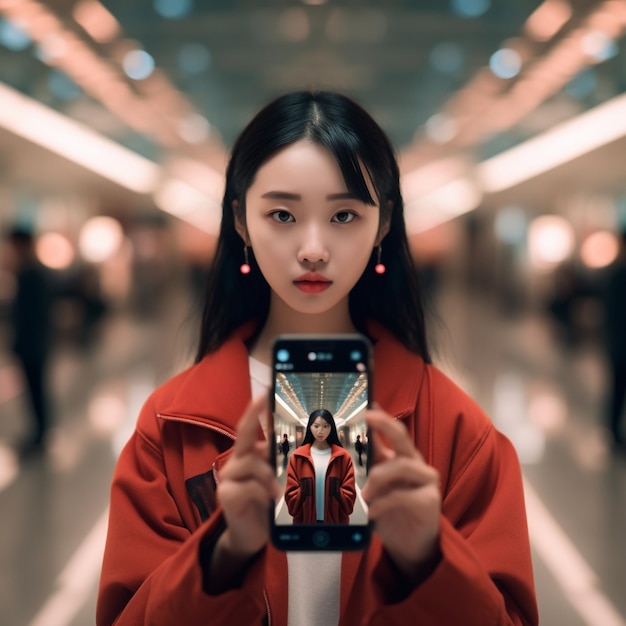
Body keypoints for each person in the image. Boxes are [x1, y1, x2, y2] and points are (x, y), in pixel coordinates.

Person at [97, 91, 538, 625]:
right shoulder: (169, 429)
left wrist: (429, 560)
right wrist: (221, 556)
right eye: (282, 214)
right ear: (240, 221)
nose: (313, 248)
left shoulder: (458, 432)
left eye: (344, 215)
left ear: (383, 225)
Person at [3, 227, 53, 456]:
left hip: (33, 346)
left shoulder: (31, 275)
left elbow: (31, 316)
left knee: (36, 391)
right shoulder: (29, 273)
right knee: (35, 391)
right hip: (33, 345)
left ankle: (40, 437)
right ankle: (39, 435)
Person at [284, 409, 356, 524]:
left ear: (331, 427)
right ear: (310, 427)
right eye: (316, 426)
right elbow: (290, 497)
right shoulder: (298, 457)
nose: (320, 431)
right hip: (305, 523)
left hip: (336, 523)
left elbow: (349, 498)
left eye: (325, 426)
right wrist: (303, 491)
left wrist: (336, 491)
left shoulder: (343, 457)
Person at [602, 229, 626, 450]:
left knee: (617, 388)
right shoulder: (618, 274)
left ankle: (612, 430)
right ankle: (612, 432)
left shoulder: (617, 273)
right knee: (617, 388)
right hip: (619, 343)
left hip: (617, 342)